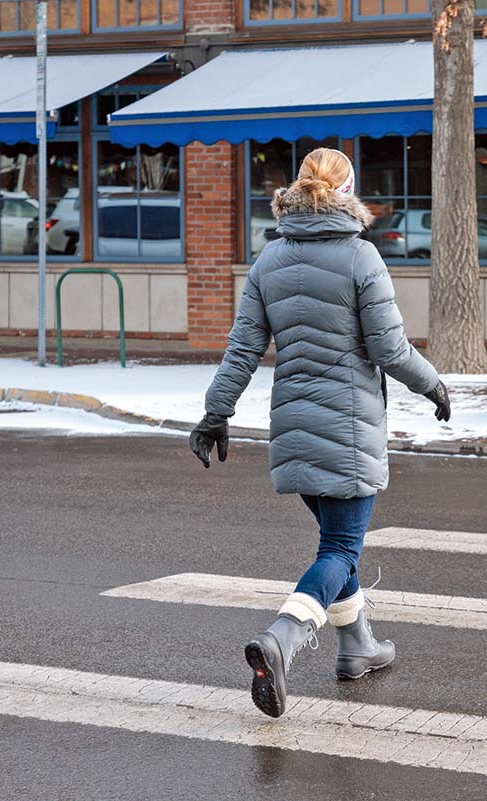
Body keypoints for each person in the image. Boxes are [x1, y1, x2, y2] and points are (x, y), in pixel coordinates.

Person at [188, 147, 451, 719]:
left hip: (294, 428)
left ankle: (358, 647)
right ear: (347, 191)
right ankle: (282, 639)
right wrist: (433, 385)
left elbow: (242, 350)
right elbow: (389, 349)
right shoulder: (361, 257)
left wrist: (215, 413)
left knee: (339, 547)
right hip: (349, 428)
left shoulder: (269, 261)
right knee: (339, 548)